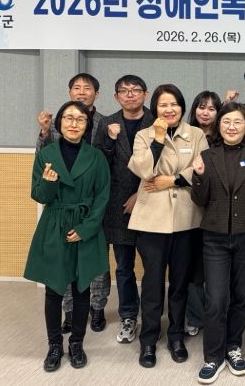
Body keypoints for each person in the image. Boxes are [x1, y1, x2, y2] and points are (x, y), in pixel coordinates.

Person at [24, 100, 110, 372]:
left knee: (82, 288)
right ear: (59, 123)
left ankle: (76, 343)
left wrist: (86, 229)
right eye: (68, 118)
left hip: (85, 226)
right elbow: (39, 195)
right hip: (54, 226)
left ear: (87, 125)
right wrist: (48, 183)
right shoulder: (46, 154)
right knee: (54, 290)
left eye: (80, 119)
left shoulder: (96, 157)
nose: (74, 124)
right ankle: (53, 345)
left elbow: (102, 197)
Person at [127, 84, 209, 368]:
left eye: (174, 104)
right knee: (152, 283)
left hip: (187, 219)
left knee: (180, 283)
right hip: (152, 220)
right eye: (163, 105)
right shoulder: (143, 135)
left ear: (182, 107)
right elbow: (144, 170)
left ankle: (176, 335)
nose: (169, 109)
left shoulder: (196, 134)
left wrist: (172, 180)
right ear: (155, 108)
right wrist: (158, 140)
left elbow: (202, 168)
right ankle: (148, 340)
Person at [191, 102, 245, 384]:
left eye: (238, 122)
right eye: (226, 121)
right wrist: (199, 176)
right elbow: (200, 200)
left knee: (240, 297)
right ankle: (213, 357)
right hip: (214, 239)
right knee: (215, 299)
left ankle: (233, 347)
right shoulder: (207, 155)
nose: (232, 127)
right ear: (219, 125)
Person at [35, 72, 110, 334]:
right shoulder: (53, 136)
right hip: (58, 217)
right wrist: (45, 132)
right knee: (57, 279)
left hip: (87, 212)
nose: (74, 123)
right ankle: (61, 330)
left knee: (88, 276)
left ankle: (93, 317)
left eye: (87, 88)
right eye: (76, 87)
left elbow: (103, 189)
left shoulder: (103, 131)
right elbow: (41, 186)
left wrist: (88, 225)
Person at [92, 75, 153, 344]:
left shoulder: (158, 122)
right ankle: (128, 316)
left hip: (152, 202)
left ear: (145, 94)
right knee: (124, 267)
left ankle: (152, 315)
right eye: (124, 91)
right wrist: (109, 140)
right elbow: (98, 164)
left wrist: (140, 193)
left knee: (153, 267)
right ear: (116, 96)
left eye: (135, 90)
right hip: (118, 207)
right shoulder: (106, 124)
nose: (130, 95)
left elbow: (165, 163)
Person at [184, 90, 223, 337]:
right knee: (194, 268)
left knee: (217, 271)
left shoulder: (224, 138)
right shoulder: (184, 135)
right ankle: (196, 316)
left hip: (218, 211)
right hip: (190, 209)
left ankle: (216, 315)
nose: (205, 112)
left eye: (211, 108)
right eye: (201, 107)